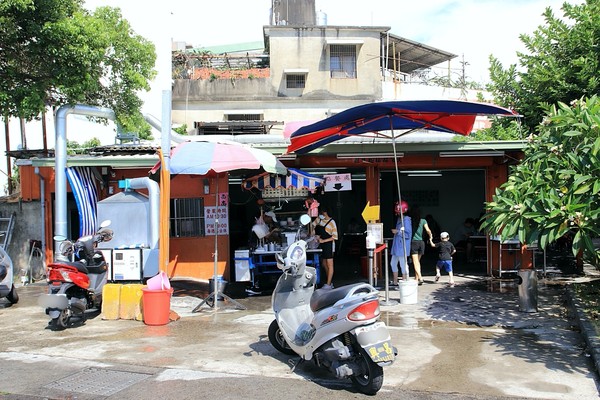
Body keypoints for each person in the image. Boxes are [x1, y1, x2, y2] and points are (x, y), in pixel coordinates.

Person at [313, 205, 338, 289]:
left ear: (326, 212)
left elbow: (335, 237)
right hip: (322, 244)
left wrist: (323, 240)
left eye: (322, 212)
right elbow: (312, 225)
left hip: (329, 244)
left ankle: (328, 284)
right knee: (324, 264)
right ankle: (329, 281)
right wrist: (314, 233)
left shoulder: (332, 222)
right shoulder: (319, 220)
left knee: (330, 264)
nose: (321, 214)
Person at [409, 206, 432, 285]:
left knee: (415, 262)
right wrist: (430, 236)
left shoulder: (410, 221)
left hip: (414, 242)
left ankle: (420, 277)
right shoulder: (423, 221)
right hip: (421, 242)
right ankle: (416, 278)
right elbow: (428, 230)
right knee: (418, 262)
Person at [390, 200, 412, 285]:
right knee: (393, 263)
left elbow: (408, 234)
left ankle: (404, 282)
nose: (397, 214)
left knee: (403, 265)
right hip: (396, 247)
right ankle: (395, 281)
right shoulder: (400, 220)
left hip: (402, 247)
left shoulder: (406, 220)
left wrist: (398, 232)